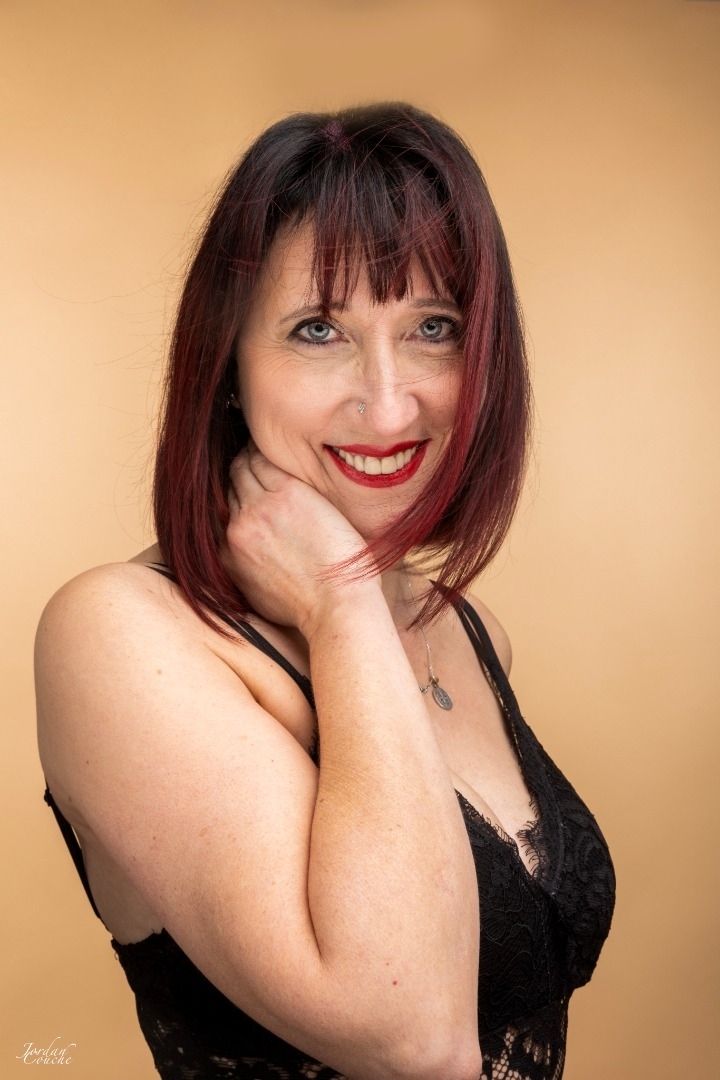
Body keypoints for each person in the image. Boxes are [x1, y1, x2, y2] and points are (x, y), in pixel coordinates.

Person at [36, 103, 615, 1080]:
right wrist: (340, 604)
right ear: (227, 364)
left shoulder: (468, 633)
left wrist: (353, 597)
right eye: (318, 330)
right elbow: (413, 1037)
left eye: (433, 328)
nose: (387, 404)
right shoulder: (119, 635)